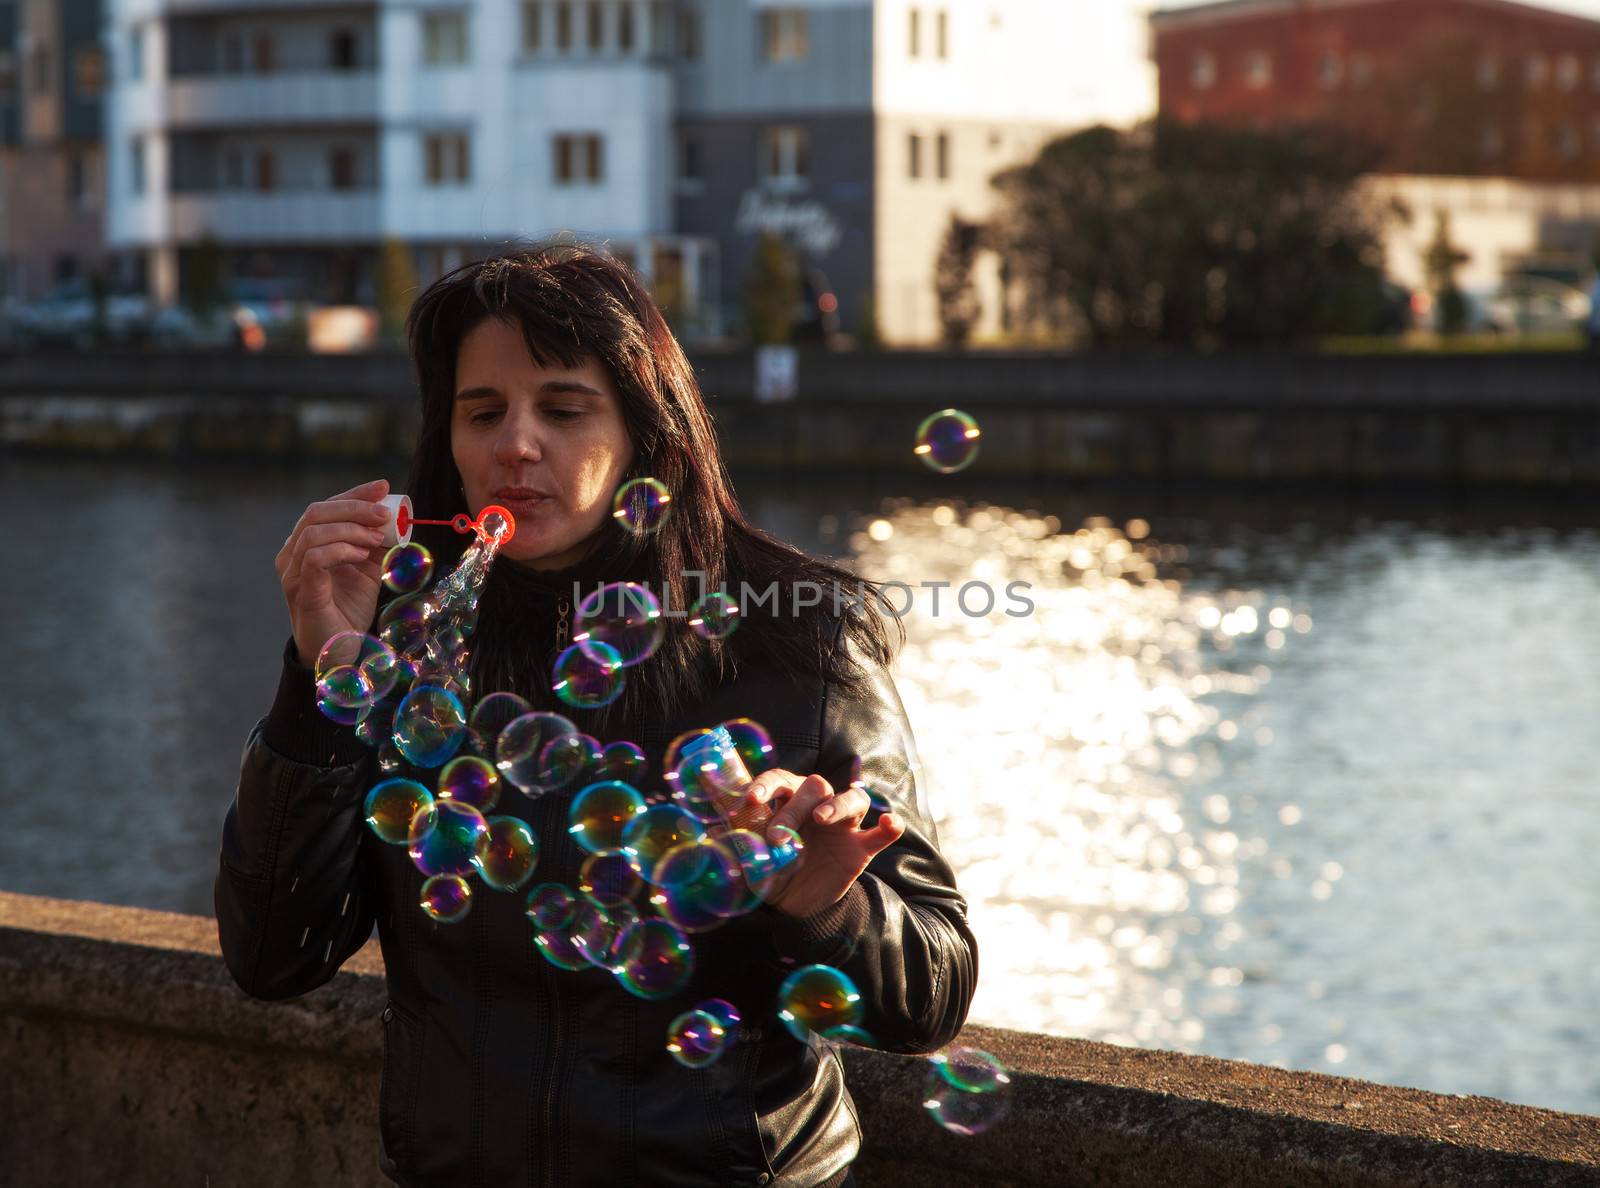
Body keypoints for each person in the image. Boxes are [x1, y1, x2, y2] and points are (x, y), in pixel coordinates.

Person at [214, 244, 978, 1187]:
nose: (516, 445)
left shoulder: (799, 641)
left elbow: (933, 992)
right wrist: (317, 675)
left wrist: (825, 902)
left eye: (564, 409)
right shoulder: (405, 647)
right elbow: (271, 956)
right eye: (482, 411)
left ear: (647, 435)